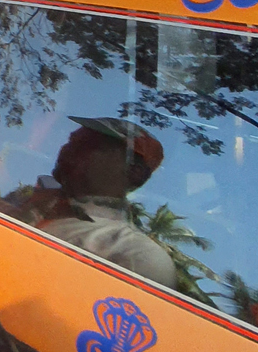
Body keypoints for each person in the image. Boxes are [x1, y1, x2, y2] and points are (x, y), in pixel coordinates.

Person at [24, 117, 177, 289]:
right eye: (71, 140)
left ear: (135, 173)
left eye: (87, 145)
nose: (67, 149)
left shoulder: (135, 253)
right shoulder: (26, 199)